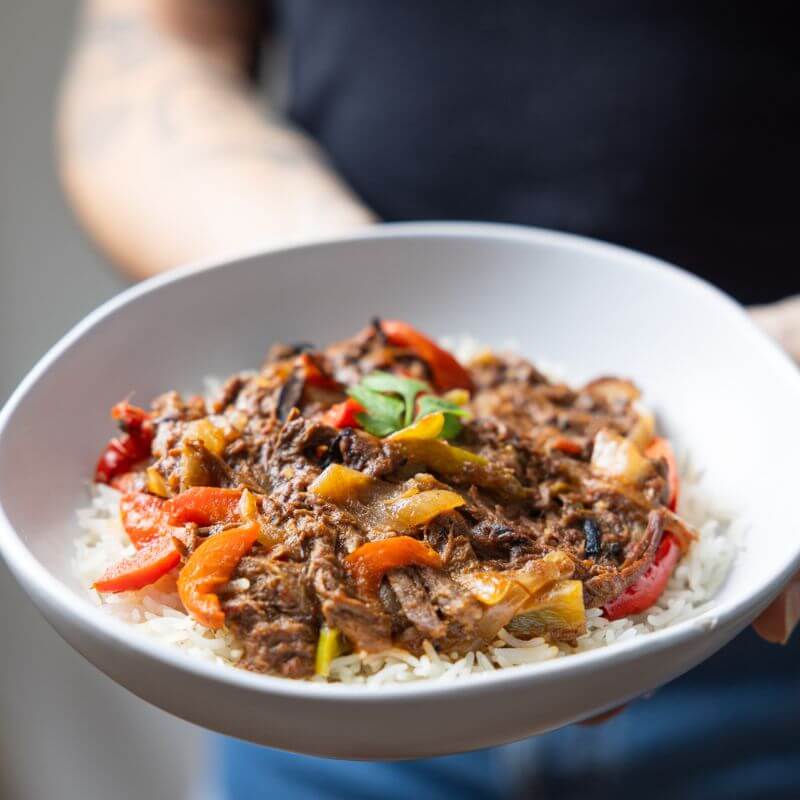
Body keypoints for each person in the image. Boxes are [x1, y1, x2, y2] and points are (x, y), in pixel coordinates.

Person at [58, 1, 799, 797]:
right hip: (319, 736)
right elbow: (155, 41)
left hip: (758, 668)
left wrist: (766, 371)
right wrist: (319, 271)